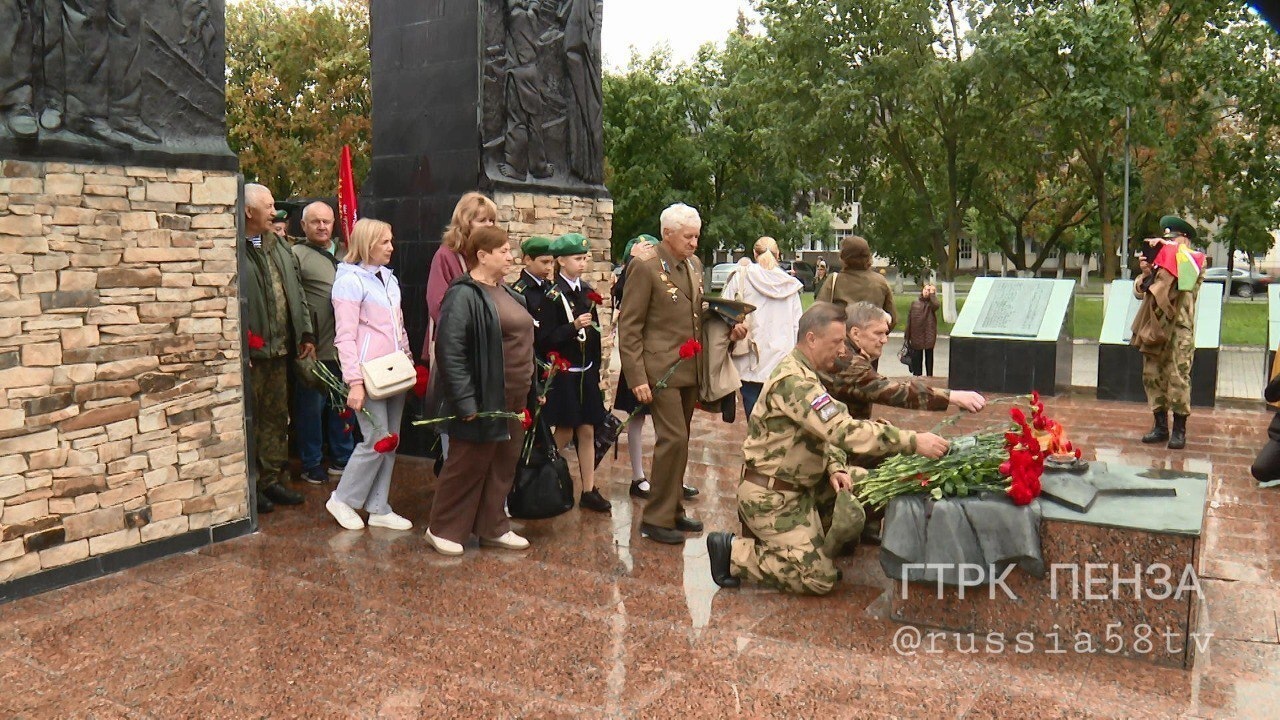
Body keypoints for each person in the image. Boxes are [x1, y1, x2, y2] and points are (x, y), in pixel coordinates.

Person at [704, 303, 949, 595]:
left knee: (871, 485)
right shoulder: (795, 382)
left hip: (804, 485)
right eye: (836, 342)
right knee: (818, 579)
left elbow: (825, 432)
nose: (842, 350)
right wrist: (913, 441)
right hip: (774, 497)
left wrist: (835, 467)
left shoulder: (809, 373)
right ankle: (734, 554)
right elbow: (841, 430)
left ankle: (818, 541)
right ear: (812, 339)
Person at [618, 203, 747, 544]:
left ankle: (673, 508)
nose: (694, 243)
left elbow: (695, 313)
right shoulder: (645, 266)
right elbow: (629, 326)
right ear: (667, 233)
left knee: (681, 440)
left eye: (696, 236)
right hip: (659, 369)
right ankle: (655, 519)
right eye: (688, 236)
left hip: (689, 367)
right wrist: (637, 378)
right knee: (672, 439)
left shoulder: (693, 265)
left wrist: (728, 325)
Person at [425, 226, 535, 555]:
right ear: (482, 256)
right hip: (483, 396)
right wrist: (465, 401)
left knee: (503, 464)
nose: (511, 257)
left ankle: (492, 527)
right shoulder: (463, 295)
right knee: (467, 464)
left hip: (515, 396)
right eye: (504, 251)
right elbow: (450, 350)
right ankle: (442, 529)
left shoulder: (509, 293)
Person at [324, 219, 415, 532]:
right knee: (376, 439)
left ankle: (378, 506)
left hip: (394, 372)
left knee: (391, 440)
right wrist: (355, 382)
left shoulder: (389, 278)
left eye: (391, 240)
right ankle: (342, 499)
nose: (391, 247)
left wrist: (407, 359)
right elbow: (345, 336)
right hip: (369, 374)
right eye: (384, 242)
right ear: (367, 244)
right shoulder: (349, 281)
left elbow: (398, 326)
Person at [242, 184, 314, 514]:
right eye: (269, 206)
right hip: (253, 356)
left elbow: (296, 291)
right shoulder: (233, 248)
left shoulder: (280, 246)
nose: (275, 212)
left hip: (281, 349)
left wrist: (305, 332)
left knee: (276, 419)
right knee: (252, 421)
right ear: (248, 212)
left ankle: (271, 480)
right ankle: (252, 485)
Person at [536, 233, 611, 513]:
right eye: (577, 258)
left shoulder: (586, 292)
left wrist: (597, 370)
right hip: (565, 374)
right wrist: (573, 327)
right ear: (561, 261)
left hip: (586, 372)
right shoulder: (552, 296)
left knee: (588, 429)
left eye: (584, 258)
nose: (582, 263)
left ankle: (589, 489)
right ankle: (542, 474)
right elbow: (545, 339)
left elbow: (595, 336)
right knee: (565, 430)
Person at [424, 192, 498, 462]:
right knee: (455, 432)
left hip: (487, 352)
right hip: (459, 350)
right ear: (465, 222)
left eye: (492, 220)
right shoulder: (446, 256)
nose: (489, 226)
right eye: (482, 220)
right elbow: (438, 305)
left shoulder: (489, 257)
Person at [826, 302, 986, 420]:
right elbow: (894, 391)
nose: (884, 340)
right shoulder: (848, 362)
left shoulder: (843, 350)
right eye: (878, 333)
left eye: (886, 333)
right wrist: (952, 397)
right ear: (855, 333)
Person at [290, 201, 355, 485]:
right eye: (315, 221)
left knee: (343, 406)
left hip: (345, 347)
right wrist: (306, 335)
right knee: (311, 410)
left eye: (326, 221)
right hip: (315, 346)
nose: (321, 226)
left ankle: (343, 458)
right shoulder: (296, 255)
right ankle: (312, 462)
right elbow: (295, 299)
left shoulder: (346, 252)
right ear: (303, 225)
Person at [1131, 215, 1204, 450]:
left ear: (1186, 240)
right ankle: (1160, 426)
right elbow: (1139, 291)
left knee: (1178, 378)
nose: (1169, 243)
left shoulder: (1193, 260)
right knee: (1152, 376)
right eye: (1167, 239)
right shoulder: (1160, 266)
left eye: (1174, 239)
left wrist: (1169, 249)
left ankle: (1179, 430)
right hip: (1156, 329)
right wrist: (1146, 272)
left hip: (1179, 331)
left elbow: (1186, 280)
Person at [722, 236, 803, 418]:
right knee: (780, 420)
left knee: (753, 418)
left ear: (754, 253)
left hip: (749, 360)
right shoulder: (789, 285)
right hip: (782, 363)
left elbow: (724, 314)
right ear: (778, 255)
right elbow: (797, 326)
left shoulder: (741, 277)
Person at [612, 234, 659, 499]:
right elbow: (621, 293)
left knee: (668, 423)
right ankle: (638, 476)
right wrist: (632, 261)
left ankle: (670, 477)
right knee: (636, 417)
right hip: (638, 358)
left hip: (661, 357)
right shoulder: (631, 274)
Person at [817, 235, 897, 330]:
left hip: (841, 336)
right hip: (870, 336)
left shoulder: (834, 280)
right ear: (868, 256)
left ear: (843, 257)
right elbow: (892, 319)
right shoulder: (880, 281)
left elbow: (818, 313)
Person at [511, 236, 555, 319]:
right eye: (545, 262)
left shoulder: (549, 285)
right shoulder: (519, 293)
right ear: (528, 260)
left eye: (552, 262)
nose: (549, 267)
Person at [904, 284, 940, 377]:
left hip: (929, 334)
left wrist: (932, 295)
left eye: (929, 290)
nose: (926, 291)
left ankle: (929, 376)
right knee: (917, 358)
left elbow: (936, 305)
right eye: (925, 289)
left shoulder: (931, 304)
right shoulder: (915, 303)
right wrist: (907, 335)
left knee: (929, 357)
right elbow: (910, 319)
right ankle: (917, 377)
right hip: (916, 334)